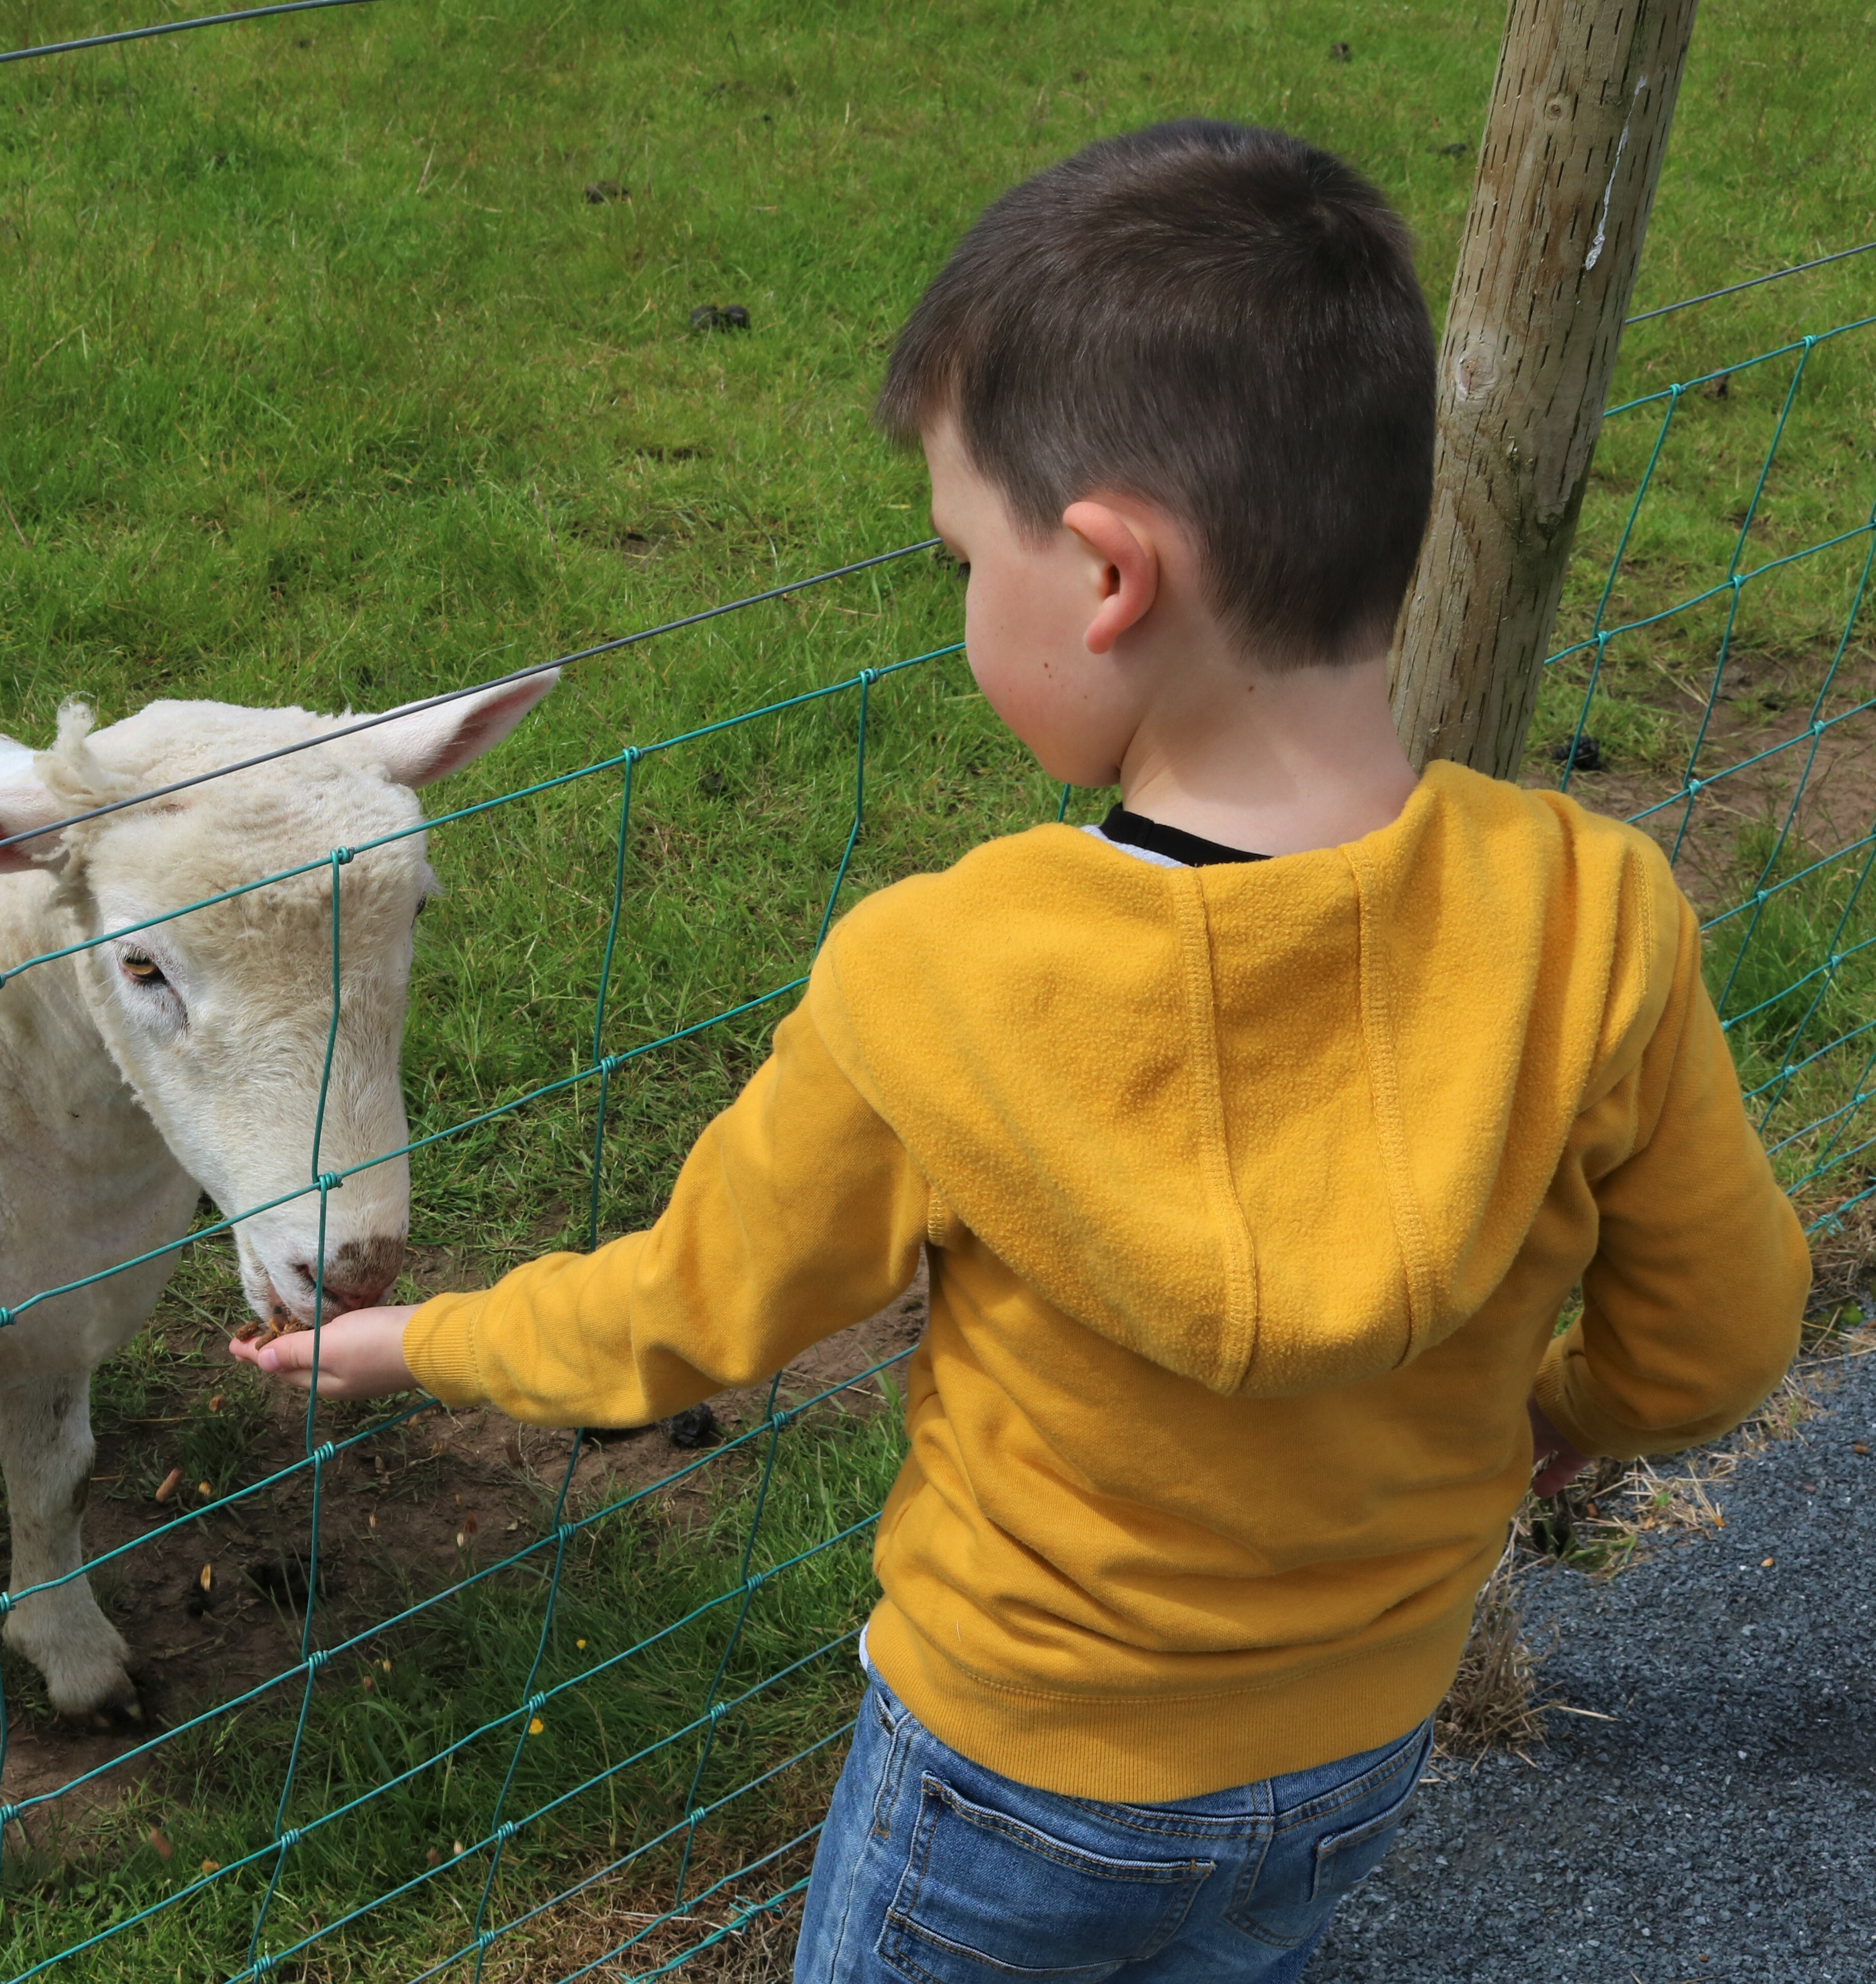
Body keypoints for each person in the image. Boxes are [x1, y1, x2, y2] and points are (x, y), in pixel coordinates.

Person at [233, 120, 1809, 1981]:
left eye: (965, 557)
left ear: (1106, 576)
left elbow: (682, 1317)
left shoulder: (943, 978)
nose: (964, 595)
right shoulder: (1593, 912)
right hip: (1354, 1739)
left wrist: (418, 1338)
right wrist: (1564, 1413)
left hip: (1011, 1777)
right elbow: (1723, 1331)